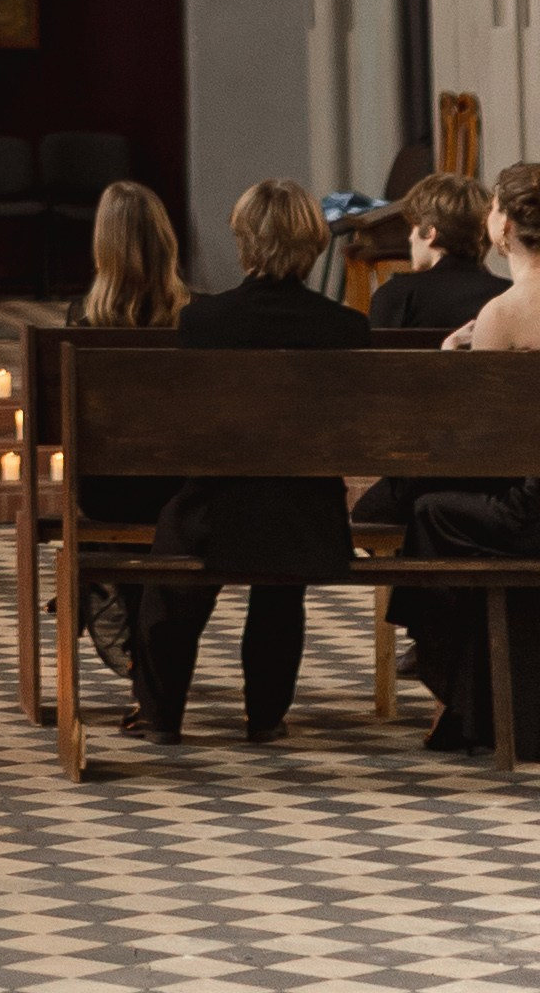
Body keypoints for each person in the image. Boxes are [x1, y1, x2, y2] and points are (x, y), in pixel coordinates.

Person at [129, 175, 370, 747]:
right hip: (305, 512)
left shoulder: (205, 322)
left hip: (214, 507)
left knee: (171, 586)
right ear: (314, 245)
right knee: (279, 581)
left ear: (245, 243)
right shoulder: (347, 328)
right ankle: (265, 716)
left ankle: (162, 715)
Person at [393, 162, 540, 754]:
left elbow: (474, 442)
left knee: (433, 514)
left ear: (504, 228)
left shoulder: (506, 312)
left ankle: (462, 695)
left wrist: (455, 358)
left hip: (531, 510)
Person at [66, 180, 188, 678]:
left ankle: (148, 665)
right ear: (166, 242)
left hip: (107, 493)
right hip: (179, 491)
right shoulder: (196, 319)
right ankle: (157, 663)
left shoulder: (81, 322)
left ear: (103, 247)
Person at [370, 171, 506, 331]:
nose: (410, 238)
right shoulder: (506, 294)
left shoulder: (395, 296)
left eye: (413, 226)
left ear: (429, 233)